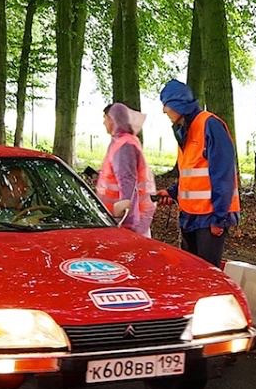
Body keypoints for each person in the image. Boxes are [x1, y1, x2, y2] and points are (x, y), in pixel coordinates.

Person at [155, 79, 241, 267]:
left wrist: (219, 218)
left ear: (178, 105)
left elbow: (223, 176)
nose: (164, 111)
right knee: (191, 272)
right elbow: (192, 174)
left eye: (166, 105)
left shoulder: (210, 125)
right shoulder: (184, 130)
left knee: (207, 274)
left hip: (209, 217)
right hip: (190, 216)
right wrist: (172, 192)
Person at [96, 103, 156, 237]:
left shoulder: (125, 145)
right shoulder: (121, 142)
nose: (104, 122)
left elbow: (127, 181)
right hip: (122, 219)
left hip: (126, 222)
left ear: (113, 119)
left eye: (105, 118)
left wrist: (128, 221)